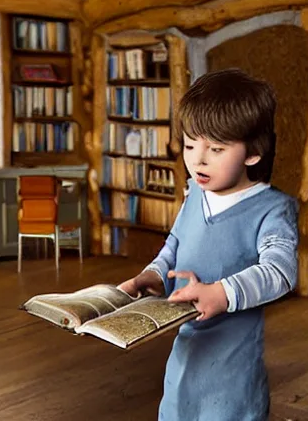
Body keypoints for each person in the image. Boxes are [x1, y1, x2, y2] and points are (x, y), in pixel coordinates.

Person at [115, 70, 298, 420]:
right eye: (189, 145)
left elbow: (281, 271)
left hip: (232, 367)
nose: (198, 159)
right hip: (186, 353)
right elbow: (176, 244)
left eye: (215, 148)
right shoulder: (195, 192)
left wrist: (222, 293)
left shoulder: (273, 209)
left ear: (254, 152)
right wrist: (153, 275)